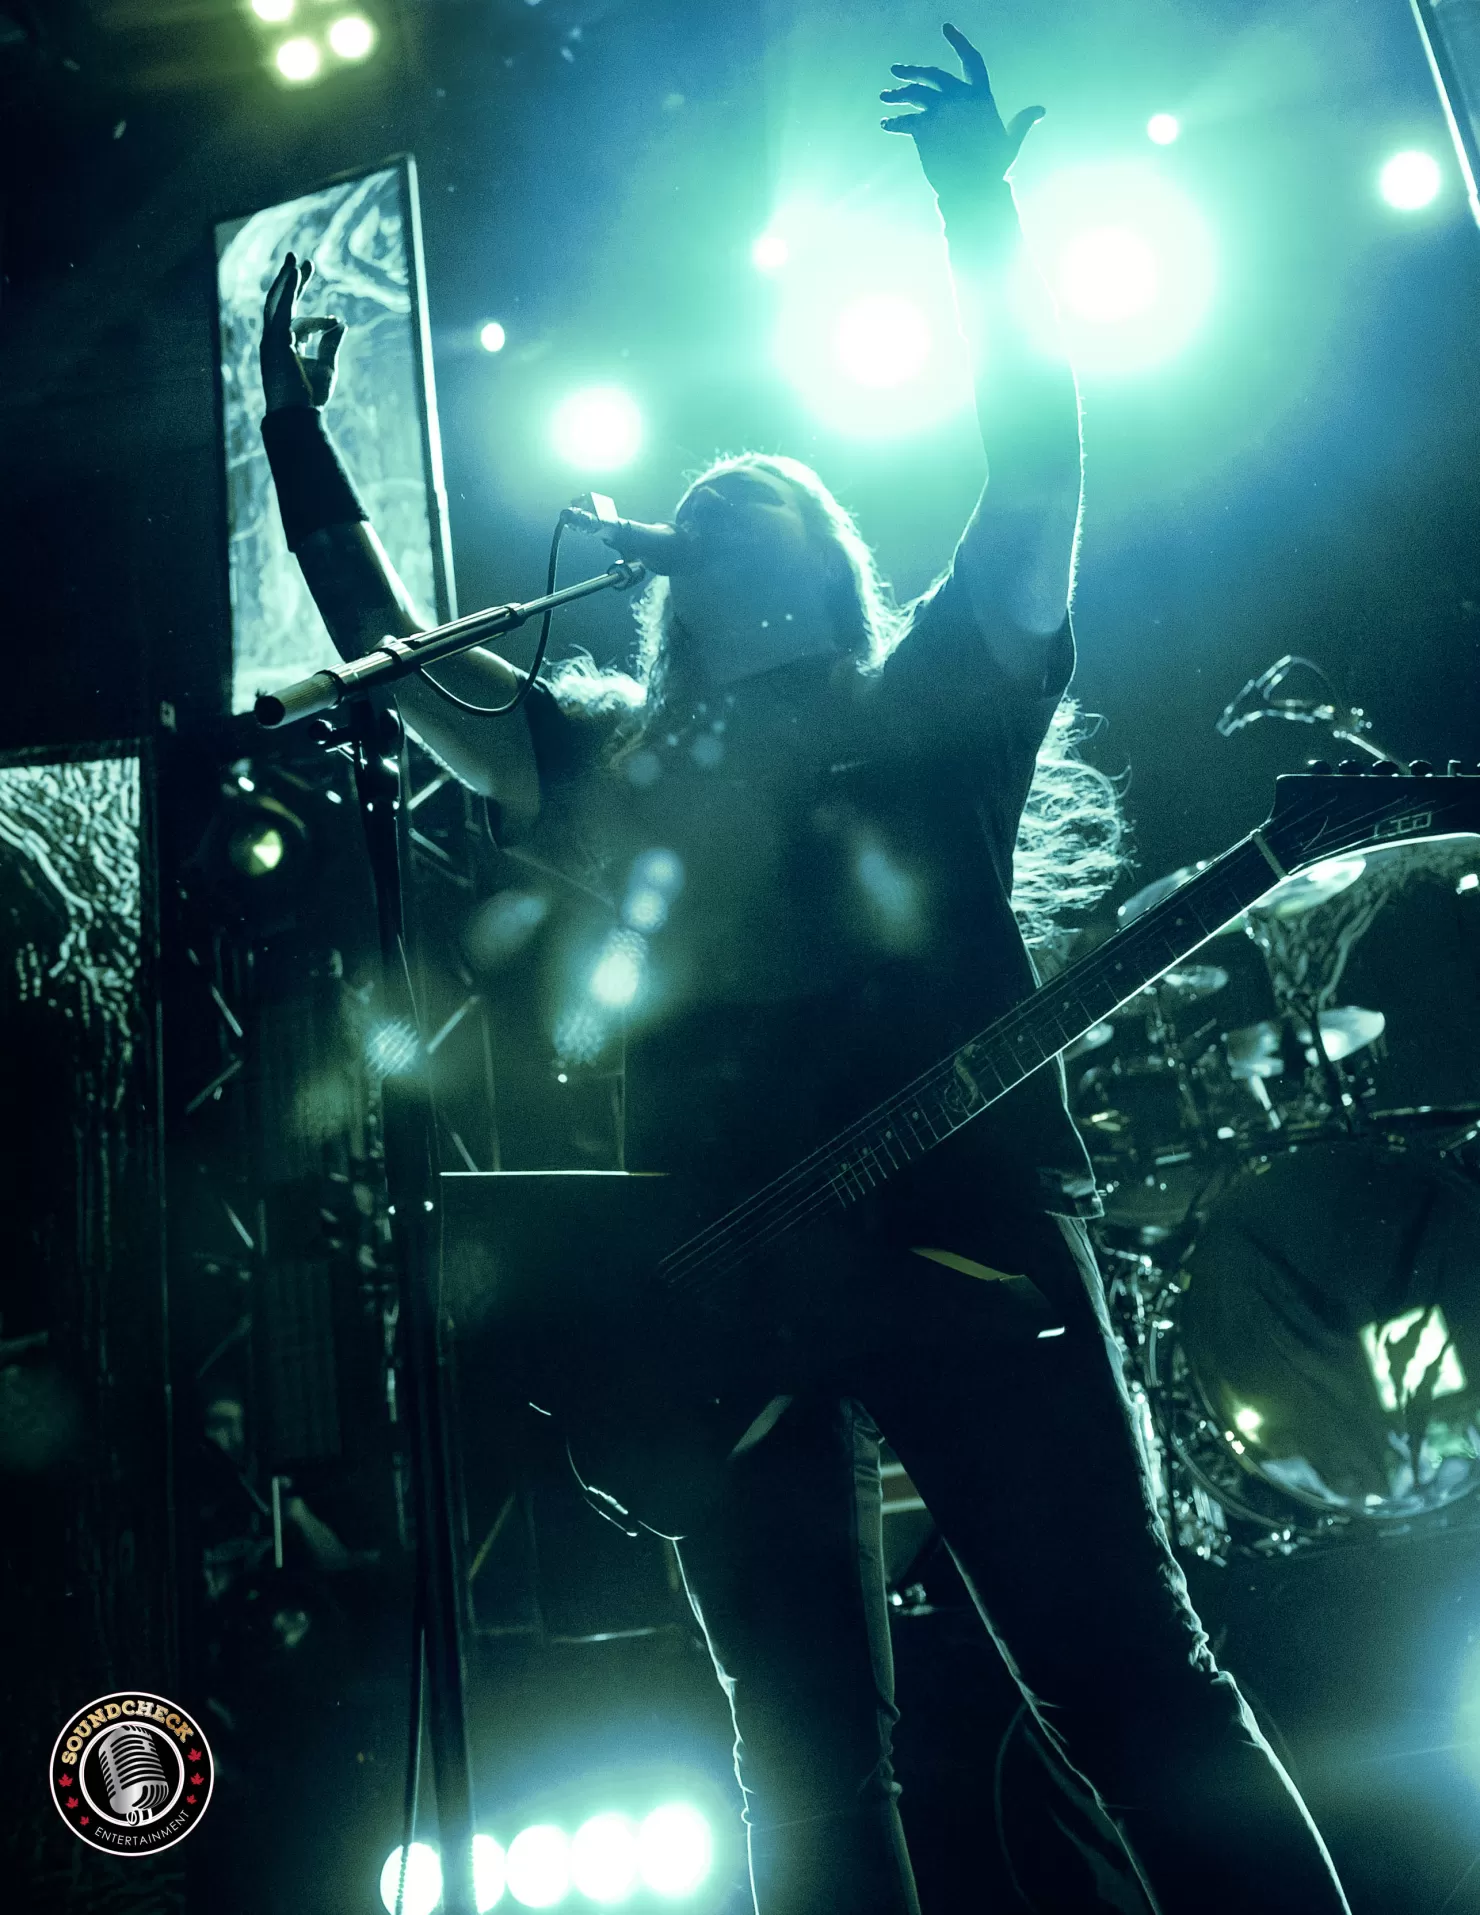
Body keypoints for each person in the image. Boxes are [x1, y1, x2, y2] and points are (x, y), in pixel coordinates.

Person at [258, 23, 1351, 1915]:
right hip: (730, 1294)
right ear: (672, 580)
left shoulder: (937, 692)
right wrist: (298, 438)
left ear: (832, 555)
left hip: (971, 1253)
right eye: (708, 513)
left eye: (766, 500)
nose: (728, 512)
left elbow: (1034, 465)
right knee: (808, 1779)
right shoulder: (606, 759)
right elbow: (394, 648)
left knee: (1133, 1691)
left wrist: (980, 215)